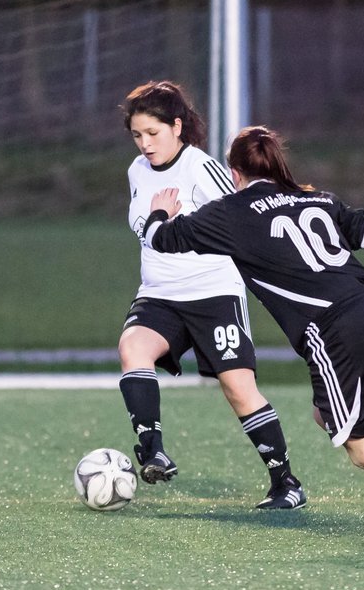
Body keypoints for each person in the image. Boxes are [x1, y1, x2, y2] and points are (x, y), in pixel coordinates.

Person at [142, 125, 364, 542]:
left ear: (235, 171)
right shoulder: (317, 198)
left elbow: (159, 240)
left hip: (335, 328)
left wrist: (160, 210)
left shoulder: (232, 212)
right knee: (327, 413)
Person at [117, 81, 306, 509]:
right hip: (160, 293)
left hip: (213, 292)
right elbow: (140, 224)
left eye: (153, 133)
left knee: (238, 388)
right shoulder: (136, 171)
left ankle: (286, 483)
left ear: (177, 126)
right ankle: (152, 451)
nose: (145, 144)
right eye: (137, 135)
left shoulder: (201, 168)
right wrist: (157, 219)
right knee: (133, 349)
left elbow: (243, 221)